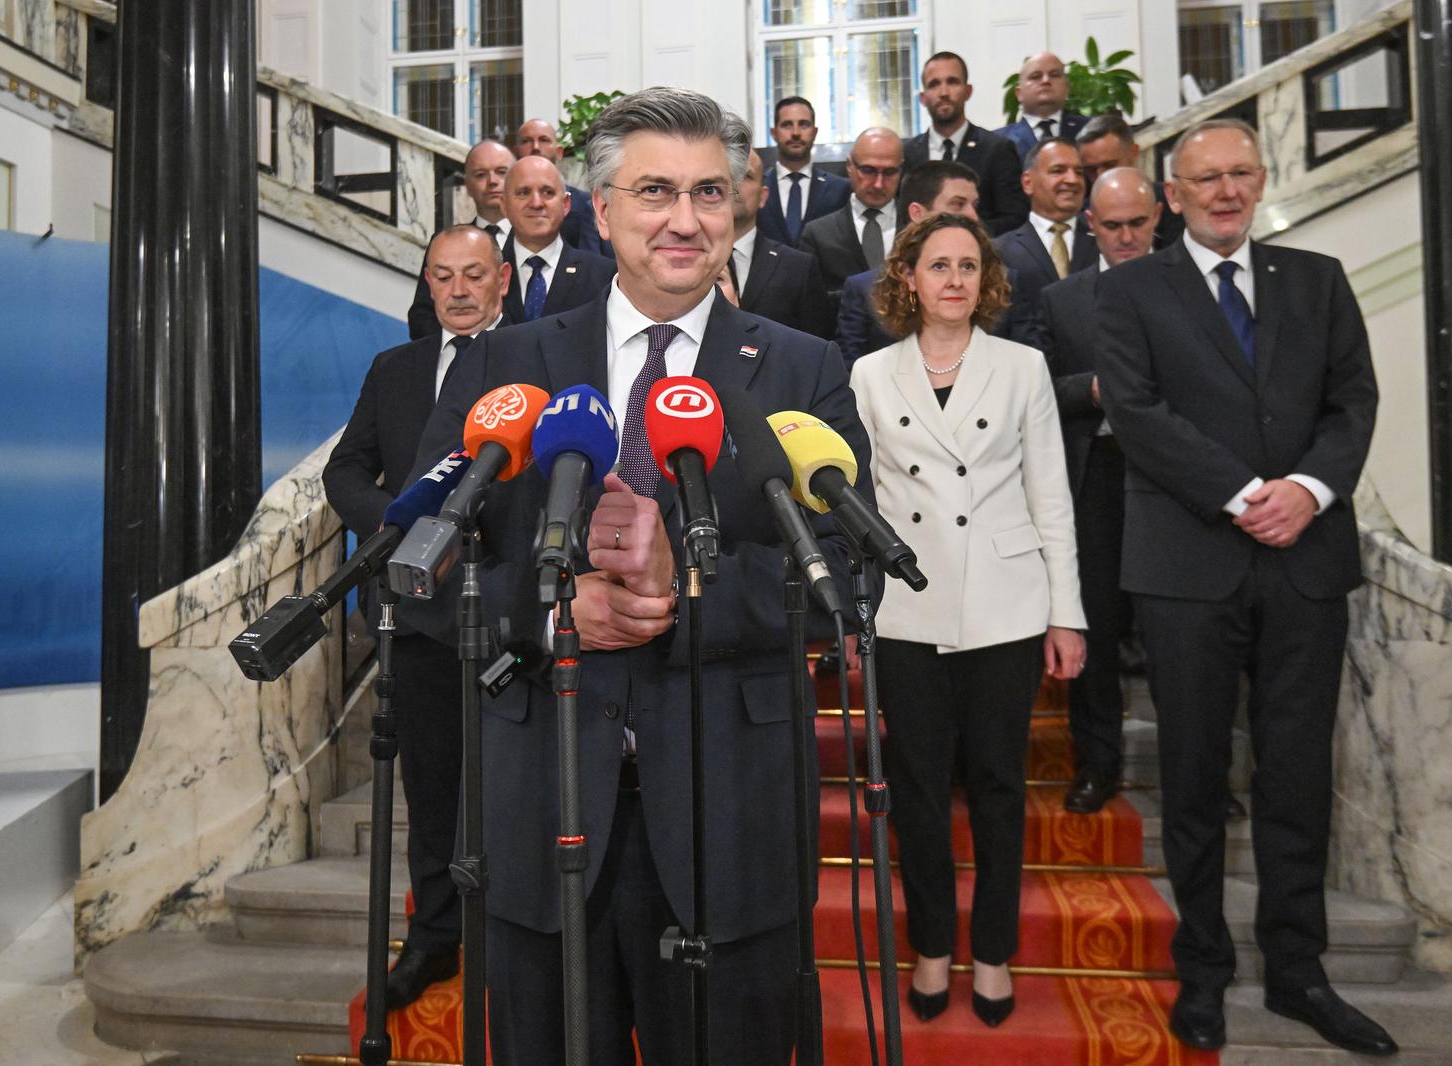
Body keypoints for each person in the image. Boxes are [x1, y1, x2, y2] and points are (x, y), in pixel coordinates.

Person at [398, 86, 871, 1066]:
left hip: (731, 811)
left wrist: (682, 584)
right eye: (656, 190)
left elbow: (847, 574)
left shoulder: (802, 369)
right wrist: (550, 611)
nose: (686, 219)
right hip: (541, 804)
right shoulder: (504, 365)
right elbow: (424, 568)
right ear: (599, 208)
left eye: (710, 192)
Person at [1095, 118, 1390, 1056]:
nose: (1226, 191)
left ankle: (1300, 972)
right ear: (1171, 195)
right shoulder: (1130, 289)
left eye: (1240, 174)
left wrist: (1305, 490)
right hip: (1188, 566)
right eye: (1204, 178)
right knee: (1191, 778)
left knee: (1298, 773)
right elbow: (1136, 414)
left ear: (1261, 181)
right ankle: (1204, 970)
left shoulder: (1319, 280)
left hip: (1306, 561)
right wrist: (1238, 495)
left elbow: (1354, 404)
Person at [849, 211, 1086, 1029]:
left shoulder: (1023, 368)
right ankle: (932, 948)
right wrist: (854, 607)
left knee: (996, 789)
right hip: (909, 605)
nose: (953, 279)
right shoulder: (870, 376)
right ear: (906, 279)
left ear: (986, 282)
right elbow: (857, 504)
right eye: (936, 265)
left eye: (967, 267)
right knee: (916, 793)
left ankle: (991, 955)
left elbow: (1050, 495)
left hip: (1006, 606)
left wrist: (1069, 614)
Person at [321, 224, 512, 1011]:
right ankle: (436, 939)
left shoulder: (536, 358)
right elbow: (343, 470)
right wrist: (396, 527)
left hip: (509, 609)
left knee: (511, 789)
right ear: (427, 285)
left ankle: (516, 935)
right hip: (416, 612)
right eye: (443, 276)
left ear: (503, 279)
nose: (460, 290)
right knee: (432, 790)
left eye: (474, 274)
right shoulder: (393, 369)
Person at [1032, 167, 1160, 815]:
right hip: (1096, 479)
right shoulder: (1064, 299)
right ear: (1091, 226)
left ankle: (1206, 775)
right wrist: (1094, 389)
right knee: (1097, 631)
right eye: (1113, 226)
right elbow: (1039, 391)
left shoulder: (1189, 289)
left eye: (1138, 223)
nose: (1127, 236)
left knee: (1177, 637)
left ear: (1158, 217)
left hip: (1172, 481)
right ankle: (1098, 764)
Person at [835, 160, 1042, 363]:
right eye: (958, 204)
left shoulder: (1004, 283)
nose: (973, 216)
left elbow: (1028, 364)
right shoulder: (865, 290)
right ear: (918, 213)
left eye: (974, 205)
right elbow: (851, 379)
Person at [903, 51, 1027, 236]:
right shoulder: (908, 153)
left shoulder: (997, 149)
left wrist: (965, 234)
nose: (943, 92)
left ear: (968, 91)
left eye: (952, 82)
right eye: (934, 84)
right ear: (923, 97)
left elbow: (1014, 218)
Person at [407, 140, 515, 339]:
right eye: (481, 174)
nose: (492, 181)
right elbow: (421, 316)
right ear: (467, 185)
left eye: (501, 172)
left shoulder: (537, 242)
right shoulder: (442, 243)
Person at [729, 147, 835, 337]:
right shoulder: (683, 260)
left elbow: (816, 348)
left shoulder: (798, 268)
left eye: (745, 176)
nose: (734, 185)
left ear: (763, 196)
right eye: (726, 175)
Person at [499, 155, 616, 322]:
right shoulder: (485, 275)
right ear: (504, 205)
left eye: (548, 193)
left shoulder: (604, 277)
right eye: (523, 193)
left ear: (566, 204)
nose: (537, 203)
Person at [798, 127, 904, 302]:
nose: (878, 184)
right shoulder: (818, 235)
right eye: (868, 171)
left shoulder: (921, 229)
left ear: (901, 170)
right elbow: (809, 304)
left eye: (889, 172)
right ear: (850, 166)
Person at [994, 137, 1098, 292]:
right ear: (1028, 183)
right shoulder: (1000, 251)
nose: (1072, 179)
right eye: (1058, 171)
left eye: (1079, 172)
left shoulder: (1103, 241)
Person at [1075, 113, 1183, 248]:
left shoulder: (1172, 203)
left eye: (1110, 165)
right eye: (1091, 170)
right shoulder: (1078, 218)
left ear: (1134, 153)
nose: (1101, 176)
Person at [757, 95, 852, 246]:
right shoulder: (756, 188)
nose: (795, 133)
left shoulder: (840, 189)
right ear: (774, 133)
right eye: (787, 125)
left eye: (804, 125)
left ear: (814, 132)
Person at [514, 117, 609, 256]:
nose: (535, 147)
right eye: (526, 141)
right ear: (516, 152)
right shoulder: (507, 204)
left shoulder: (587, 205)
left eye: (544, 140)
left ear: (559, 152)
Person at [992, 52, 1089, 161]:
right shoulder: (996, 141)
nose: (1046, 80)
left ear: (1067, 89)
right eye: (1035, 76)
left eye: (1054, 75)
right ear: (1019, 93)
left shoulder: (1090, 130)